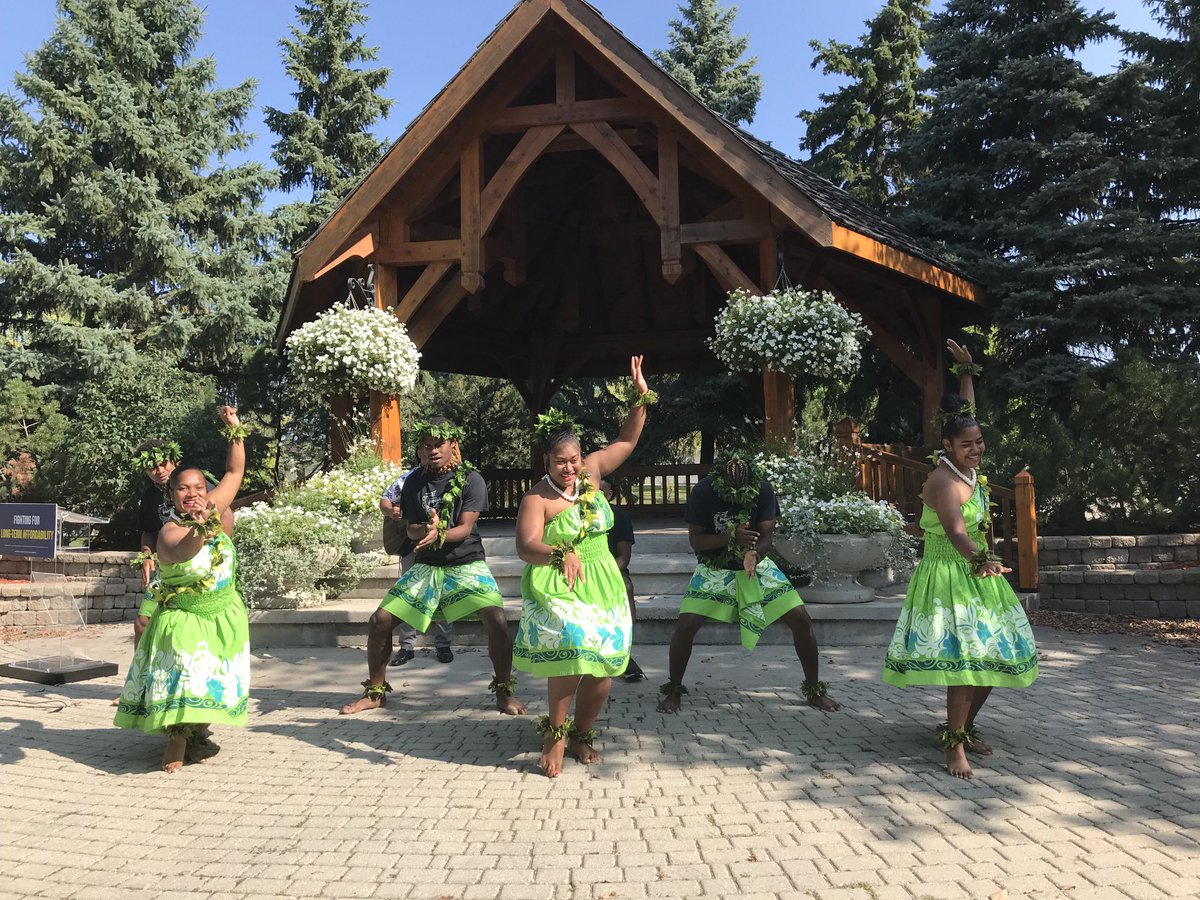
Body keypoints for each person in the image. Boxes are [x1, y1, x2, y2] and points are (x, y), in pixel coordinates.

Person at [881, 339, 1038, 779]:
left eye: (980, 442)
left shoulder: (967, 469)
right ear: (947, 445)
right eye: (967, 444)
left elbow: (964, 414)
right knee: (965, 664)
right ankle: (953, 748)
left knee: (992, 658)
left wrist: (967, 373)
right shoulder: (943, 482)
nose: (976, 448)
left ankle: (962, 729)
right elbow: (955, 532)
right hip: (949, 573)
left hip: (977, 570)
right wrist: (984, 558)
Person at [513, 355, 654, 778]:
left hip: (602, 576)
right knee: (573, 655)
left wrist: (639, 395)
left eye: (574, 458)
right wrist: (559, 553)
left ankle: (582, 733)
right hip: (560, 580)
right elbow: (525, 546)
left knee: (605, 666)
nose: (570, 467)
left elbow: (626, 441)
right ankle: (554, 734)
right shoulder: (537, 498)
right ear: (547, 461)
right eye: (561, 461)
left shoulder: (592, 473)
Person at [340, 418, 523, 716]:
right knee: (379, 621)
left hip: (466, 562)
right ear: (421, 450)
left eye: (439, 444)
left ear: (453, 444)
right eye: (427, 445)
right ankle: (375, 693)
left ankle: (504, 693)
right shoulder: (414, 481)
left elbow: (464, 528)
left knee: (498, 621)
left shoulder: (470, 479)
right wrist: (424, 529)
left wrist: (439, 533)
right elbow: (410, 529)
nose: (433, 450)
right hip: (426, 566)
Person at [113, 407, 250, 773]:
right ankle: (176, 739)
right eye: (183, 490)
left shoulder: (213, 505)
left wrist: (234, 428)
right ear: (172, 494)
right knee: (189, 671)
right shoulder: (170, 531)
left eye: (198, 488)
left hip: (225, 610)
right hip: (185, 613)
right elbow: (184, 550)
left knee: (216, 681)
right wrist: (201, 528)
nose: (192, 494)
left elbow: (235, 470)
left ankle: (196, 734)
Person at [656, 450, 840, 715]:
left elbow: (766, 536)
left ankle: (814, 690)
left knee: (801, 619)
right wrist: (731, 537)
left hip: (756, 564)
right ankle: (673, 690)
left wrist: (754, 553)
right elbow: (696, 541)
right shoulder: (704, 491)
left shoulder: (763, 490)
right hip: (715, 567)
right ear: (721, 480)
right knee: (686, 625)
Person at [131, 440, 234, 645]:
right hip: (169, 567)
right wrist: (146, 554)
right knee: (142, 623)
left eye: (164, 463)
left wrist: (218, 553)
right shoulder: (150, 496)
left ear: (175, 461)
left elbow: (226, 512)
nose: (159, 471)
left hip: (198, 567)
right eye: (152, 467)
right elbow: (149, 531)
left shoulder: (196, 483)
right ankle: (141, 673)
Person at [380, 462, 454, 665]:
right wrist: (392, 511)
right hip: (411, 545)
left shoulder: (455, 478)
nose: (430, 453)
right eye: (425, 448)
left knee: (442, 593)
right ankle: (406, 647)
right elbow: (385, 500)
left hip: (442, 544)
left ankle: (444, 645)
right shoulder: (408, 479)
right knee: (409, 594)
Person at [599, 477, 644, 682]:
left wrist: (603, 575)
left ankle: (625, 652)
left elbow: (623, 558)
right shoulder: (576, 515)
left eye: (602, 491)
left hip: (611, 570)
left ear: (610, 495)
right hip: (581, 569)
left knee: (626, 587)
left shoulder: (620, 517)